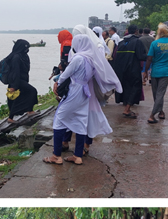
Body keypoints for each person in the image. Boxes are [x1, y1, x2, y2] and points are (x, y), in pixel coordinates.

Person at [44, 33, 122, 166]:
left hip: (75, 90)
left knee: (59, 119)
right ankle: (77, 155)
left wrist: (58, 83)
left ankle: (56, 155)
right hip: (85, 92)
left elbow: (66, 74)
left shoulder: (78, 58)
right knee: (80, 122)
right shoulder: (92, 59)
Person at [144, 24, 168, 124]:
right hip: (166, 71)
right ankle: (159, 112)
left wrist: (145, 71)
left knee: (157, 93)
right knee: (159, 93)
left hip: (155, 71)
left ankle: (153, 114)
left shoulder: (155, 43)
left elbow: (149, 58)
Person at [113, 24, 147, 119]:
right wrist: (150, 57)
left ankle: (126, 107)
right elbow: (141, 56)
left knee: (125, 88)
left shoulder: (121, 42)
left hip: (120, 71)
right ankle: (127, 109)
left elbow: (116, 57)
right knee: (135, 88)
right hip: (132, 69)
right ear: (136, 31)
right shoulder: (137, 41)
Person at [5, 39, 39, 123]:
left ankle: (27, 111)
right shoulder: (16, 57)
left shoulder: (24, 56)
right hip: (16, 81)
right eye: (26, 48)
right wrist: (14, 86)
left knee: (19, 98)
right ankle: (27, 111)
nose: (27, 50)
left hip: (22, 80)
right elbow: (15, 72)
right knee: (32, 91)